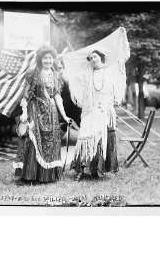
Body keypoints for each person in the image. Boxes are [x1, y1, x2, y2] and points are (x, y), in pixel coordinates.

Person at [16, 46, 71, 184]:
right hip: (36, 109)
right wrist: (24, 113)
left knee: (50, 142)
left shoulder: (56, 75)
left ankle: (48, 176)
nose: (48, 60)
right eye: (45, 58)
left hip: (51, 112)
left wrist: (64, 116)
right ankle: (32, 175)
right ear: (40, 59)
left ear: (53, 59)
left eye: (50, 58)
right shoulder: (33, 73)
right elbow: (26, 95)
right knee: (34, 139)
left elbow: (57, 96)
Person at [71, 49, 119, 181]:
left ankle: (97, 169)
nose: (93, 59)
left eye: (95, 56)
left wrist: (109, 105)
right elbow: (75, 82)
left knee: (101, 138)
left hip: (104, 110)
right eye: (91, 58)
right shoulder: (87, 74)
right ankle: (80, 169)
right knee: (85, 136)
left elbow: (113, 91)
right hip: (90, 110)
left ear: (101, 57)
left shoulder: (109, 72)